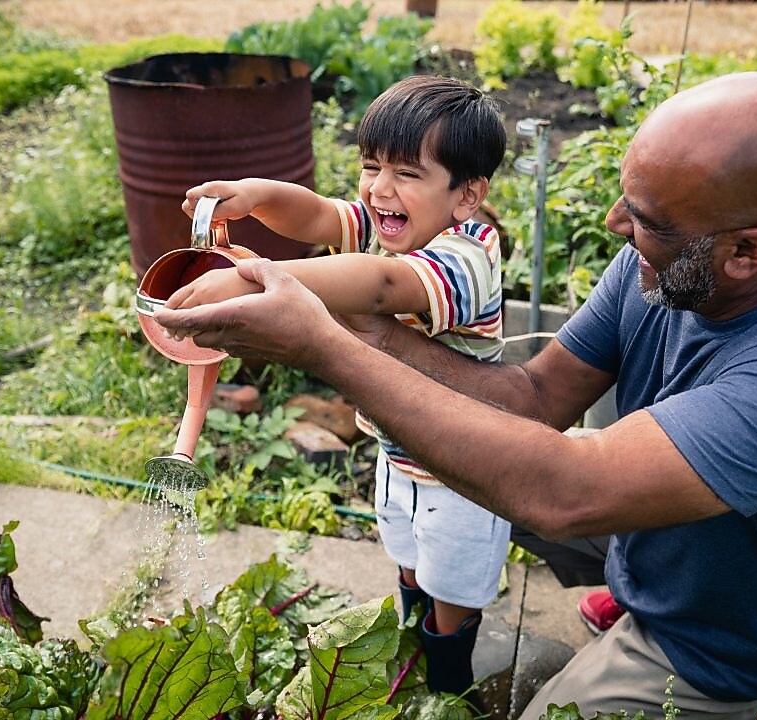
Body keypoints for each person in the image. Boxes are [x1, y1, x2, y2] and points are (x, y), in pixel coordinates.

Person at [155, 71, 757, 719]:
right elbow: (531, 402)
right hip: (641, 518)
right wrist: (365, 330)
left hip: (721, 646)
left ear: (746, 251)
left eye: (645, 221)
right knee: (505, 475)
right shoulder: (661, 267)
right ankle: (631, 583)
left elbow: (564, 494)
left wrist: (321, 340)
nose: (617, 228)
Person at [167, 74, 510, 697]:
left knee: (453, 586)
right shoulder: (389, 223)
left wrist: (254, 281)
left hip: (466, 468)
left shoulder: (467, 258)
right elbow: (320, 215)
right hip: (397, 450)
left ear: (466, 196)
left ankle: (448, 686)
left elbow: (382, 285)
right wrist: (255, 196)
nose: (380, 188)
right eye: (372, 165)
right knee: (407, 559)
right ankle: (411, 651)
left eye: (407, 173)